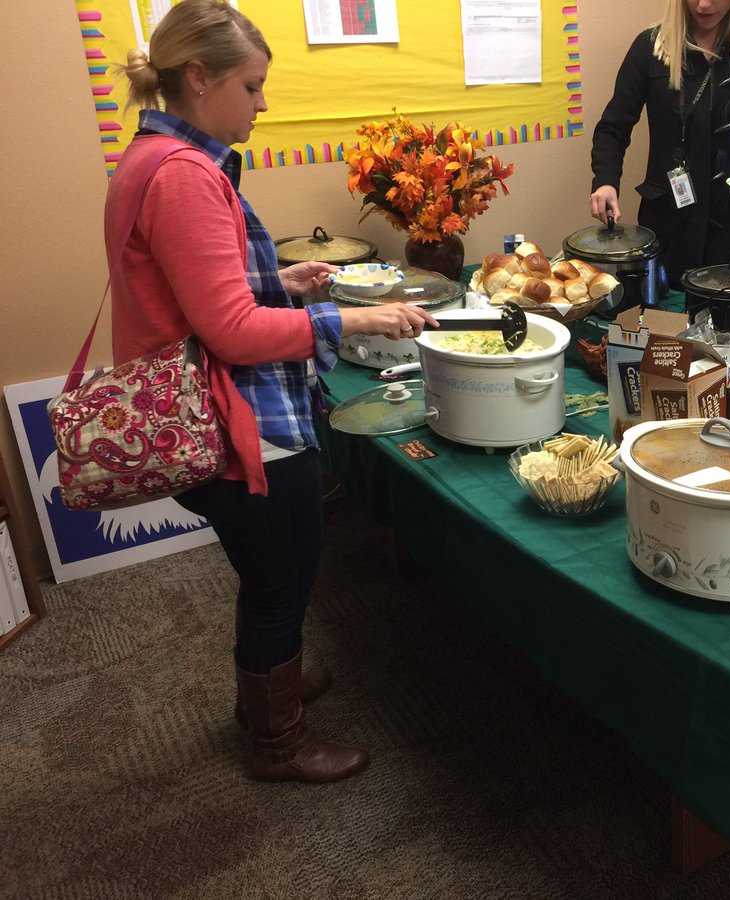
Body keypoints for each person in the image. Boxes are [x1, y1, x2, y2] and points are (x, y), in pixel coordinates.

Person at [106, 0, 436, 784]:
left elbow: (197, 294)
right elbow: (231, 334)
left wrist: (274, 280)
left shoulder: (151, 156)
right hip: (236, 428)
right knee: (280, 577)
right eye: (252, 87)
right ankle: (277, 740)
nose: (263, 103)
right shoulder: (185, 176)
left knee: (270, 577)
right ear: (198, 77)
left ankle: (267, 692)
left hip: (215, 412)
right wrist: (350, 317)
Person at [589, 0, 730, 285]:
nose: (703, 5)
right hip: (667, 224)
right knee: (662, 320)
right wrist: (605, 180)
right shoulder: (650, 47)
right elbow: (613, 127)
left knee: (729, 324)